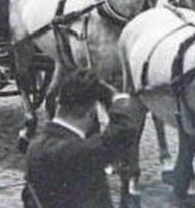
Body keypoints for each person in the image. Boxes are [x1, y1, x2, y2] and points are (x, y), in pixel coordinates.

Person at [23, 67, 145, 208]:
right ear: (91, 112)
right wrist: (116, 99)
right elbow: (125, 130)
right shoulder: (80, 151)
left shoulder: (35, 146)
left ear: (59, 104)